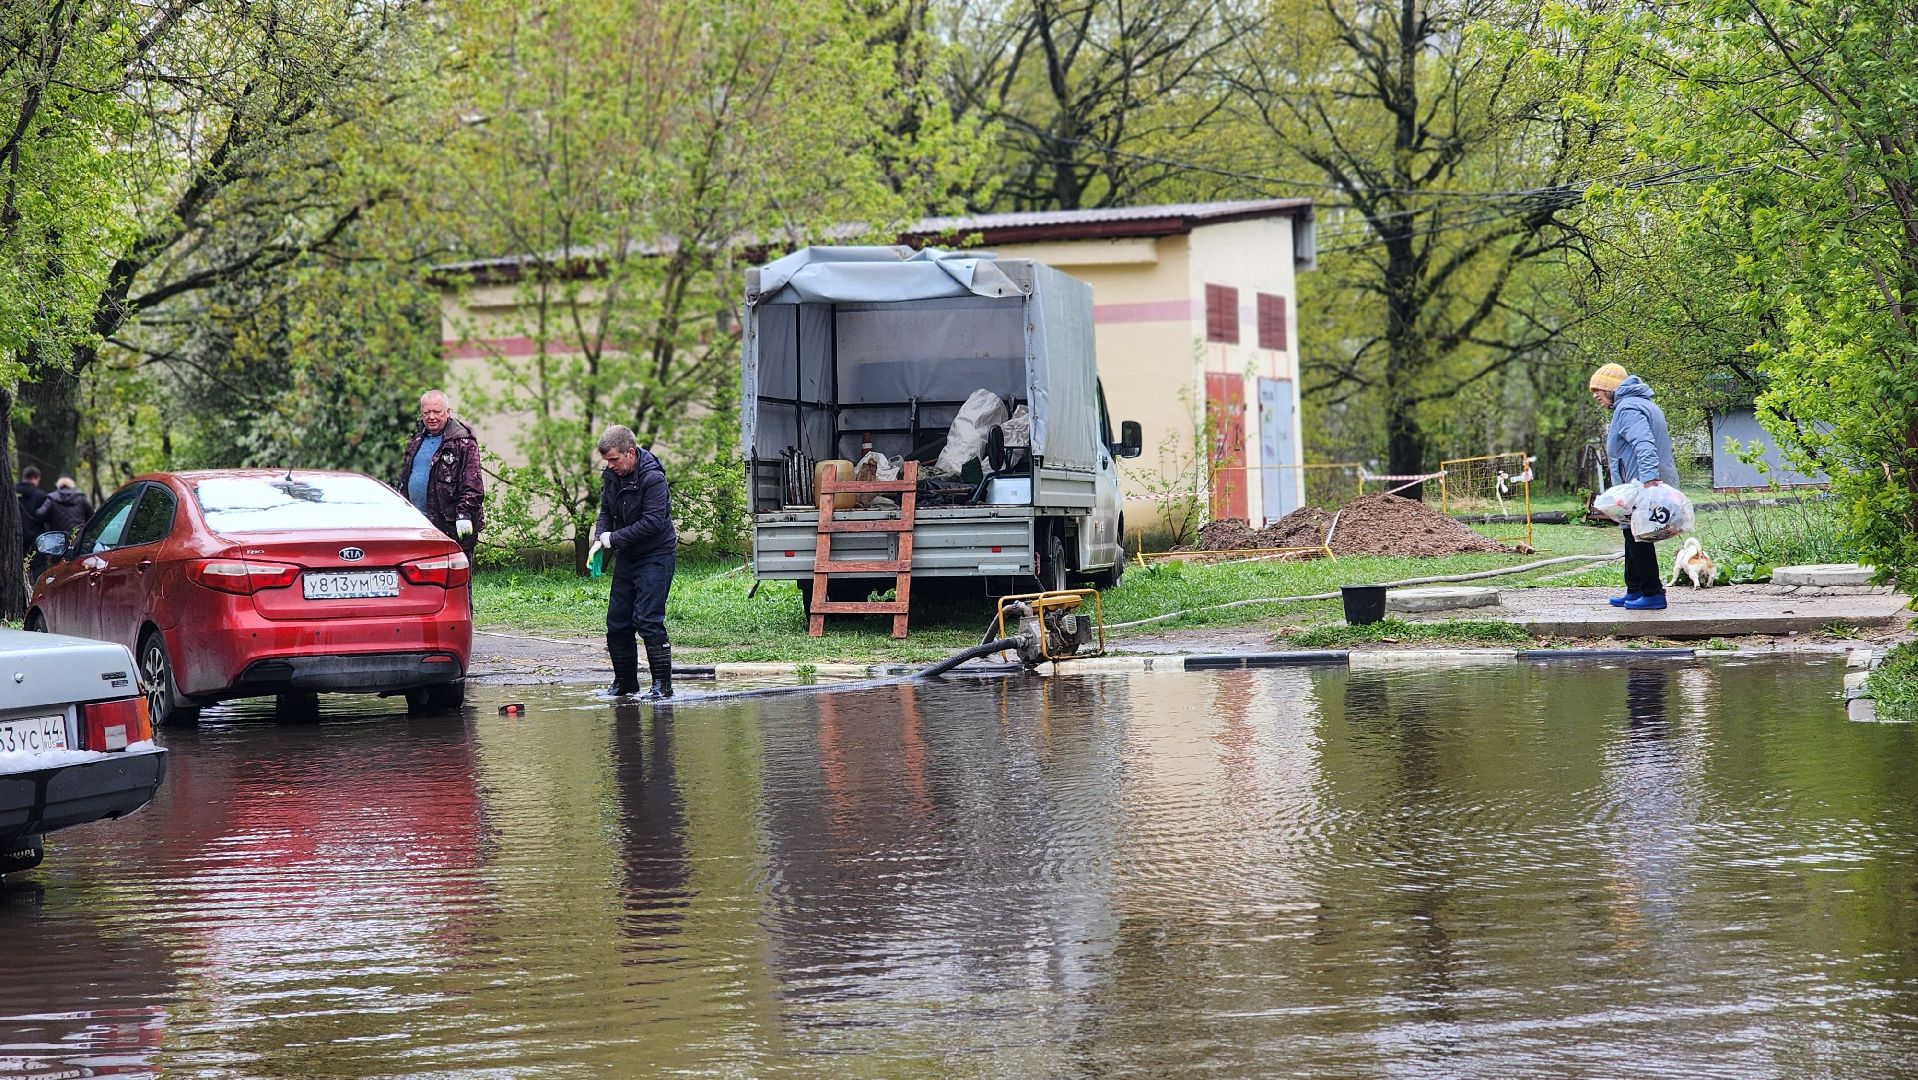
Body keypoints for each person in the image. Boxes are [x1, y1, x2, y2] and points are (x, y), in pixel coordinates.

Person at [587, 425, 676, 699]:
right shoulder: (612, 476)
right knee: (617, 622)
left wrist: (614, 538)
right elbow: (606, 511)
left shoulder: (653, 479)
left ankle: (662, 685)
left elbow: (652, 523)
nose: (610, 466)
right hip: (628, 555)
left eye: (614, 460)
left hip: (655, 554)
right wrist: (599, 538)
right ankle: (625, 682)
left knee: (648, 620)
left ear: (630, 452)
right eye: (606, 461)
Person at [1590, 363, 1680, 611]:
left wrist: (1650, 480)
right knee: (1631, 530)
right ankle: (1635, 589)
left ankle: (1651, 592)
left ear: (1611, 388)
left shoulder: (1628, 407)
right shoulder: (1640, 404)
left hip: (1641, 482)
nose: (1595, 395)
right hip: (1639, 481)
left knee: (1637, 533)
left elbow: (1644, 443)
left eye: (1598, 389)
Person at [396, 389, 484, 554]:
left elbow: (473, 483)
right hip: (419, 523)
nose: (431, 417)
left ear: (448, 412)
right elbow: (404, 479)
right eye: (426, 412)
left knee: (455, 577)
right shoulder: (415, 439)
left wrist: (464, 514)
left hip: (451, 525)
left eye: (437, 412)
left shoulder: (462, 441)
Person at [34, 477, 92, 542]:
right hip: (78, 536)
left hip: (58, 537)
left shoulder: (52, 498)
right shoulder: (81, 498)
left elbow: (41, 514)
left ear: (58, 485)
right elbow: (91, 516)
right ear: (72, 485)